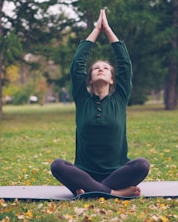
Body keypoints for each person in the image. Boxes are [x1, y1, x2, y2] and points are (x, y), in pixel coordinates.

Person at [50, 9, 150, 197]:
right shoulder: (83, 100)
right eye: (96, 68)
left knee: (142, 164)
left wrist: (108, 31)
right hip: (84, 173)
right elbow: (77, 64)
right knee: (57, 165)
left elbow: (125, 64)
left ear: (112, 79)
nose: (100, 69)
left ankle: (91, 190)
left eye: (105, 68)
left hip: (117, 172)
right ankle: (113, 193)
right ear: (89, 79)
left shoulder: (119, 99)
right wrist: (96, 30)